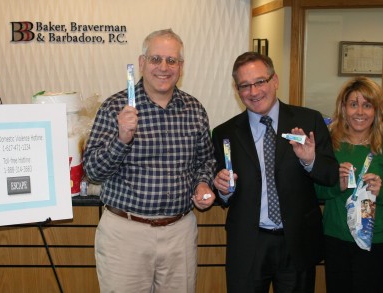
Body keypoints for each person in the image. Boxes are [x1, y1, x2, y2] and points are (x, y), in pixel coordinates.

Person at [82, 28, 216, 293]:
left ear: (181, 66)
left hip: (179, 231)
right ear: (142, 63)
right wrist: (121, 139)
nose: (163, 67)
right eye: (156, 59)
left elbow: (207, 160)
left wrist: (202, 184)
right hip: (126, 232)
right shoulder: (114, 107)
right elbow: (93, 172)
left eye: (171, 60)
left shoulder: (194, 109)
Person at [212, 51, 339, 293]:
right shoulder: (224, 133)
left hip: (297, 242)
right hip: (249, 243)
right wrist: (223, 190)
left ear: (275, 80)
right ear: (237, 90)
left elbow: (330, 175)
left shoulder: (309, 120)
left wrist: (310, 160)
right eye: (245, 85)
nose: (254, 91)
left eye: (260, 82)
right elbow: (221, 194)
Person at [314, 77, 383, 293]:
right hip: (336, 238)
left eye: (367, 105)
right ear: (343, 109)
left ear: (377, 110)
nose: (360, 112)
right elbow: (315, 191)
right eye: (353, 105)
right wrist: (338, 186)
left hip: (378, 239)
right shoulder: (329, 144)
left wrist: (380, 192)